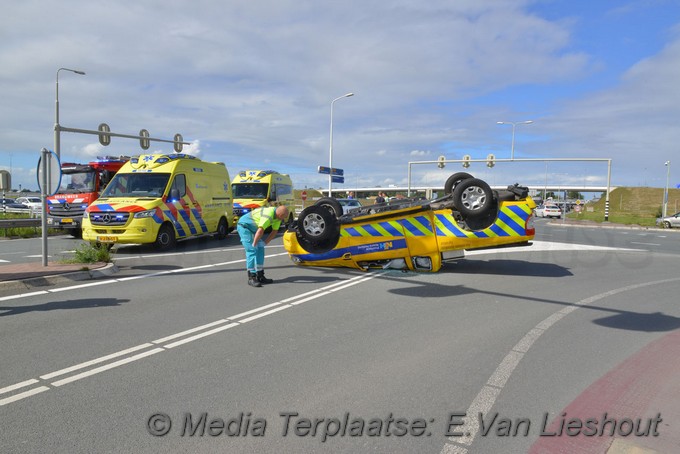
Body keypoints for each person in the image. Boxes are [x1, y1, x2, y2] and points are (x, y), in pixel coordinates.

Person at [237, 205, 289, 287]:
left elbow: (274, 231)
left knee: (260, 249)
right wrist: (254, 243)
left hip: (254, 229)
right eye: (284, 217)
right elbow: (260, 231)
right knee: (252, 250)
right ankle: (251, 277)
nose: (283, 219)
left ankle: (260, 275)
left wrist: (264, 243)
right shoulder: (268, 215)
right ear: (280, 215)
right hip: (244, 226)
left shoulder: (277, 217)